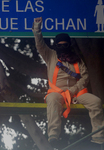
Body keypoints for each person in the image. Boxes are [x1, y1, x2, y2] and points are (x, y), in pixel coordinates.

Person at [32, 17, 104, 148]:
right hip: (57, 93)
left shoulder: (77, 59)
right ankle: (53, 135)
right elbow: (40, 45)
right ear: (56, 46)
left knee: (96, 102)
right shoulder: (50, 55)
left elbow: (85, 76)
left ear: (69, 45)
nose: (62, 48)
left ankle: (98, 138)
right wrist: (37, 28)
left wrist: (74, 89)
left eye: (65, 45)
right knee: (52, 99)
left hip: (76, 93)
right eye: (60, 45)